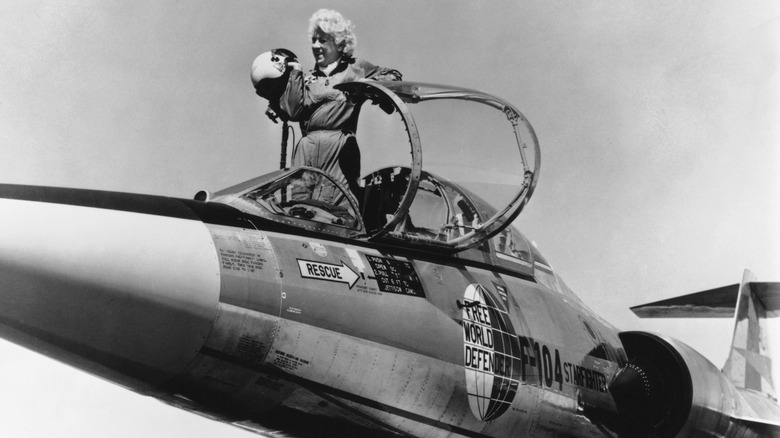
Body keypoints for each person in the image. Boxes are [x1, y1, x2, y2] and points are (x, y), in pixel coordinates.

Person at [278, 9, 402, 206]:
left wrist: (373, 86)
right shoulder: (307, 78)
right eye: (314, 40)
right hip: (305, 148)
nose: (316, 46)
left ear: (339, 42)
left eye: (323, 40)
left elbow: (392, 76)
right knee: (299, 206)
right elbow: (292, 112)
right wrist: (294, 74)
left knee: (337, 209)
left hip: (339, 149)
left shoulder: (356, 68)